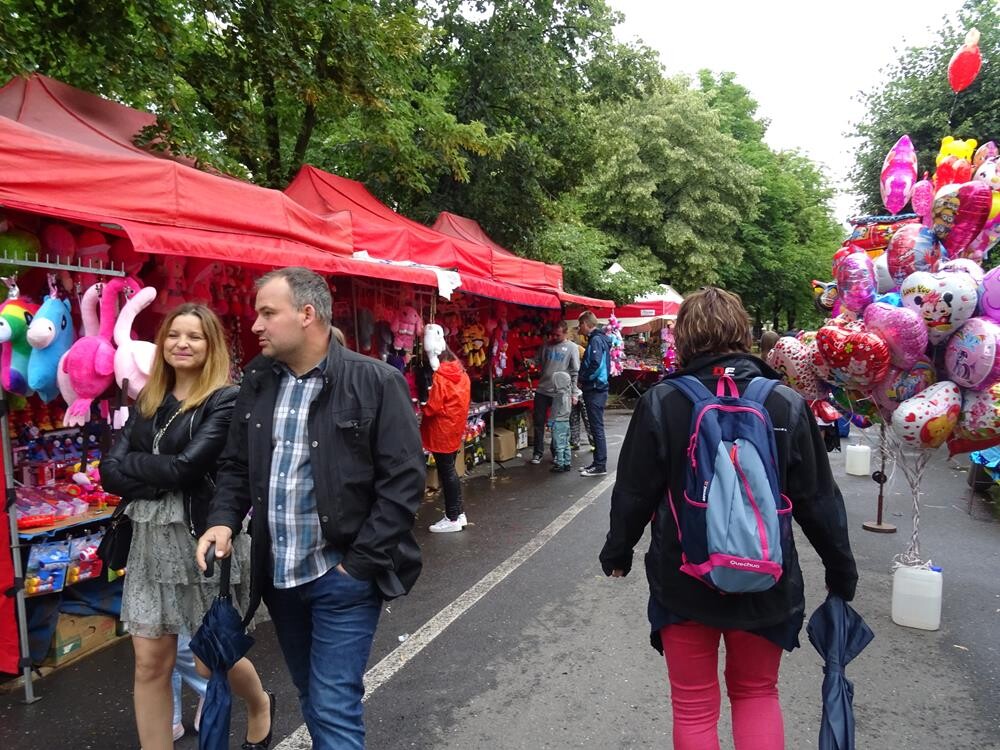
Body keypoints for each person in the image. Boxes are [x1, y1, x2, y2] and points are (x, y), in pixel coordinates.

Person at [599, 287, 858, 750]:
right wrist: (841, 570)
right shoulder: (784, 402)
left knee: (694, 705)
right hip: (767, 577)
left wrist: (618, 550)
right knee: (757, 693)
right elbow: (818, 498)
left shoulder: (662, 401)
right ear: (743, 333)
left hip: (685, 576)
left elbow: (635, 490)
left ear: (683, 337)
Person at [196, 267, 425, 750]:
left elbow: (404, 484)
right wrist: (223, 520)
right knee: (310, 695)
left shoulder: (376, 382)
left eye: (267, 312)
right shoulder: (258, 382)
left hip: (341, 576)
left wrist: (357, 567)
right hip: (279, 578)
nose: (255, 324)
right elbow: (237, 465)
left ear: (306, 314)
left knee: (332, 703)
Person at [100, 303, 273, 750]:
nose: (182, 343)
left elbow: (185, 468)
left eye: (194, 336)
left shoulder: (226, 399)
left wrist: (141, 469)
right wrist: (155, 469)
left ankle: (259, 702)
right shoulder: (148, 398)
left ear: (210, 344)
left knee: (211, 654)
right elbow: (107, 470)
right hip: (148, 538)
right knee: (149, 663)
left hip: (200, 536)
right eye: (174, 335)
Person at [421, 348, 472, 533]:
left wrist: (422, 409)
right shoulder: (463, 374)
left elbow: (433, 407)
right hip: (455, 427)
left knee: (447, 471)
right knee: (450, 470)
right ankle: (458, 513)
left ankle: (452, 517)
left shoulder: (441, 377)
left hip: (441, 429)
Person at [531, 321, 579, 464]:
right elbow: (536, 360)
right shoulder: (545, 345)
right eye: (552, 334)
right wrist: (529, 362)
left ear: (565, 333)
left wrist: (574, 392)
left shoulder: (572, 348)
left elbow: (575, 371)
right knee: (539, 422)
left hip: (560, 392)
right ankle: (537, 452)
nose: (554, 337)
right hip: (542, 389)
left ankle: (556, 452)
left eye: (557, 335)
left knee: (557, 424)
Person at [577, 310, 612, 477]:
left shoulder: (596, 340)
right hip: (597, 388)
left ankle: (599, 465)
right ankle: (598, 462)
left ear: (586, 324)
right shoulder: (598, 339)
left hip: (595, 388)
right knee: (596, 426)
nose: (579, 328)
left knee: (596, 427)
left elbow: (596, 365)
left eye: (580, 325)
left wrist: (583, 378)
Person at [548, 370, 578, 472]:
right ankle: (567, 463)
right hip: (566, 421)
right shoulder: (568, 394)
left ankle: (559, 464)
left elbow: (554, 411)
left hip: (558, 421)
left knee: (558, 445)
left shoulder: (558, 396)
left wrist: (550, 422)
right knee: (566, 443)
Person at [569, 331, 593, 450]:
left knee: (584, 417)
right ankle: (575, 441)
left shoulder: (580, 350)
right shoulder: (575, 349)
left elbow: (588, 364)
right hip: (573, 388)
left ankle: (591, 442)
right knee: (574, 417)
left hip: (580, 388)